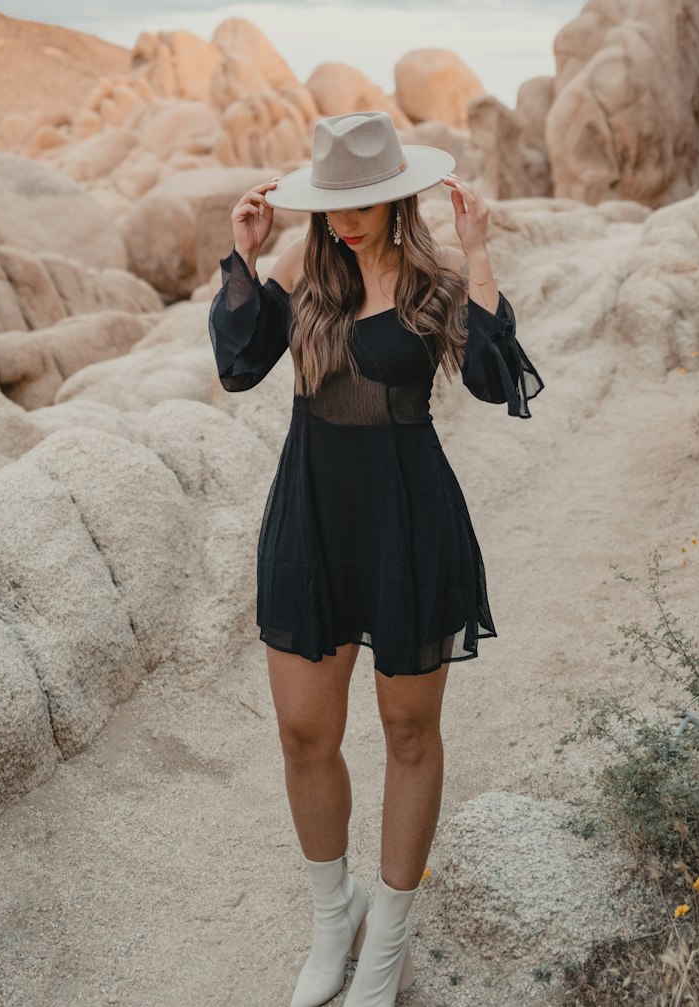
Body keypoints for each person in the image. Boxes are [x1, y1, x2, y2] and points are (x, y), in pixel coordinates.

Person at [207, 110, 544, 1007]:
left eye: (365, 203)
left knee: (407, 731)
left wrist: (477, 256)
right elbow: (239, 367)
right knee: (303, 731)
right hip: (313, 514)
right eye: (335, 203)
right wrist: (244, 257)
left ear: (399, 195)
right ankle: (335, 914)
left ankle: (387, 941)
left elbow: (495, 381)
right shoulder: (305, 269)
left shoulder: (432, 278)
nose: (347, 220)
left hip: (406, 518)